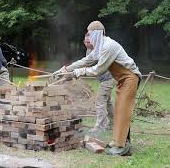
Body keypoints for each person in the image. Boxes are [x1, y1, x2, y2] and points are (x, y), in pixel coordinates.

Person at [54, 21, 141, 156]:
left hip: (130, 78)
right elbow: (86, 60)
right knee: (119, 110)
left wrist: (78, 73)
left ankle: (123, 147)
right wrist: (66, 69)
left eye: (90, 34)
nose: (89, 38)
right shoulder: (100, 47)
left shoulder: (108, 46)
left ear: (97, 34)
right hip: (122, 79)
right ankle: (118, 141)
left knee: (123, 110)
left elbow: (98, 70)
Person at [61, 34, 116, 133]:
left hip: (109, 78)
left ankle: (100, 127)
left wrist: (75, 73)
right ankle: (112, 123)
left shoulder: (100, 49)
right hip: (103, 78)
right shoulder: (89, 50)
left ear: (94, 41)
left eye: (89, 42)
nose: (87, 44)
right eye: (86, 42)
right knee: (107, 102)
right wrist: (67, 69)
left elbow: (92, 68)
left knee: (100, 101)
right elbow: (84, 62)